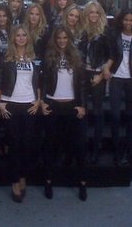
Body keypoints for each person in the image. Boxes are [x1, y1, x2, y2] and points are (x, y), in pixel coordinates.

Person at [0, 25, 41, 203]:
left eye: (24, 35)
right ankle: (14, 181)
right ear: (13, 38)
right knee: (14, 145)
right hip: (11, 105)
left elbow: (38, 81)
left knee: (27, 145)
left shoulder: (33, 57)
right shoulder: (6, 57)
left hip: (29, 104)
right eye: (18, 35)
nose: (21, 38)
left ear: (28, 38)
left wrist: (38, 100)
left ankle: (23, 177)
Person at [41, 26, 88, 201]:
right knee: (50, 147)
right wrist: (43, 102)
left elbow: (83, 84)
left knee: (79, 147)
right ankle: (48, 181)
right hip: (53, 105)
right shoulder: (49, 57)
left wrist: (82, 105)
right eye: (59, 38)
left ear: (69, 39)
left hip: (72, 106)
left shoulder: (76, 58)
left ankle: (83, 184)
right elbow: (44, 81)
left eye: (65, 38)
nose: (62, 41)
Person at [103, 8, 132, 165]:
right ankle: (116, 150)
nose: (128, 23)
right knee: (115, 116)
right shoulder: (114, 36)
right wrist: (106, 69)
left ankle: (128, 150)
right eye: (126, 20)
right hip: (117, 78)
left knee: (130, 116)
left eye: (131, 20)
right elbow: (111, 56)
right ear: (121, 20)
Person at [82, 1, 111, 163]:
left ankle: (97, 147)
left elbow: (113, 54)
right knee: (82, 109)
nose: (93, 15)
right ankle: (83, 145)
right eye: (90, 12)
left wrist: (102, 73)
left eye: (96, 13)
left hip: (98, 74)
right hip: (83, 74)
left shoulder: (106, 32)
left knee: (98, 111)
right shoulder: (83, 30)